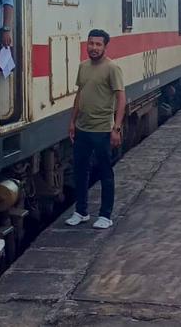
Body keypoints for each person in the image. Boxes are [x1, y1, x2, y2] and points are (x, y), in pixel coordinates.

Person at [66, 29, 125, 230]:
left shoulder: (112, 68)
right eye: (91, 43)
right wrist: (72, 121)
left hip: (103, 130)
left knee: (105, 172)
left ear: (105, 47)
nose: (94, 48)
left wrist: (116, 128)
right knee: (80, 172)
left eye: (98, 44)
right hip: (83, 128)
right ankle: (81, 212)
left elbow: (121, 97)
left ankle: (105, 215)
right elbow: (79, 95)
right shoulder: (83, 67)